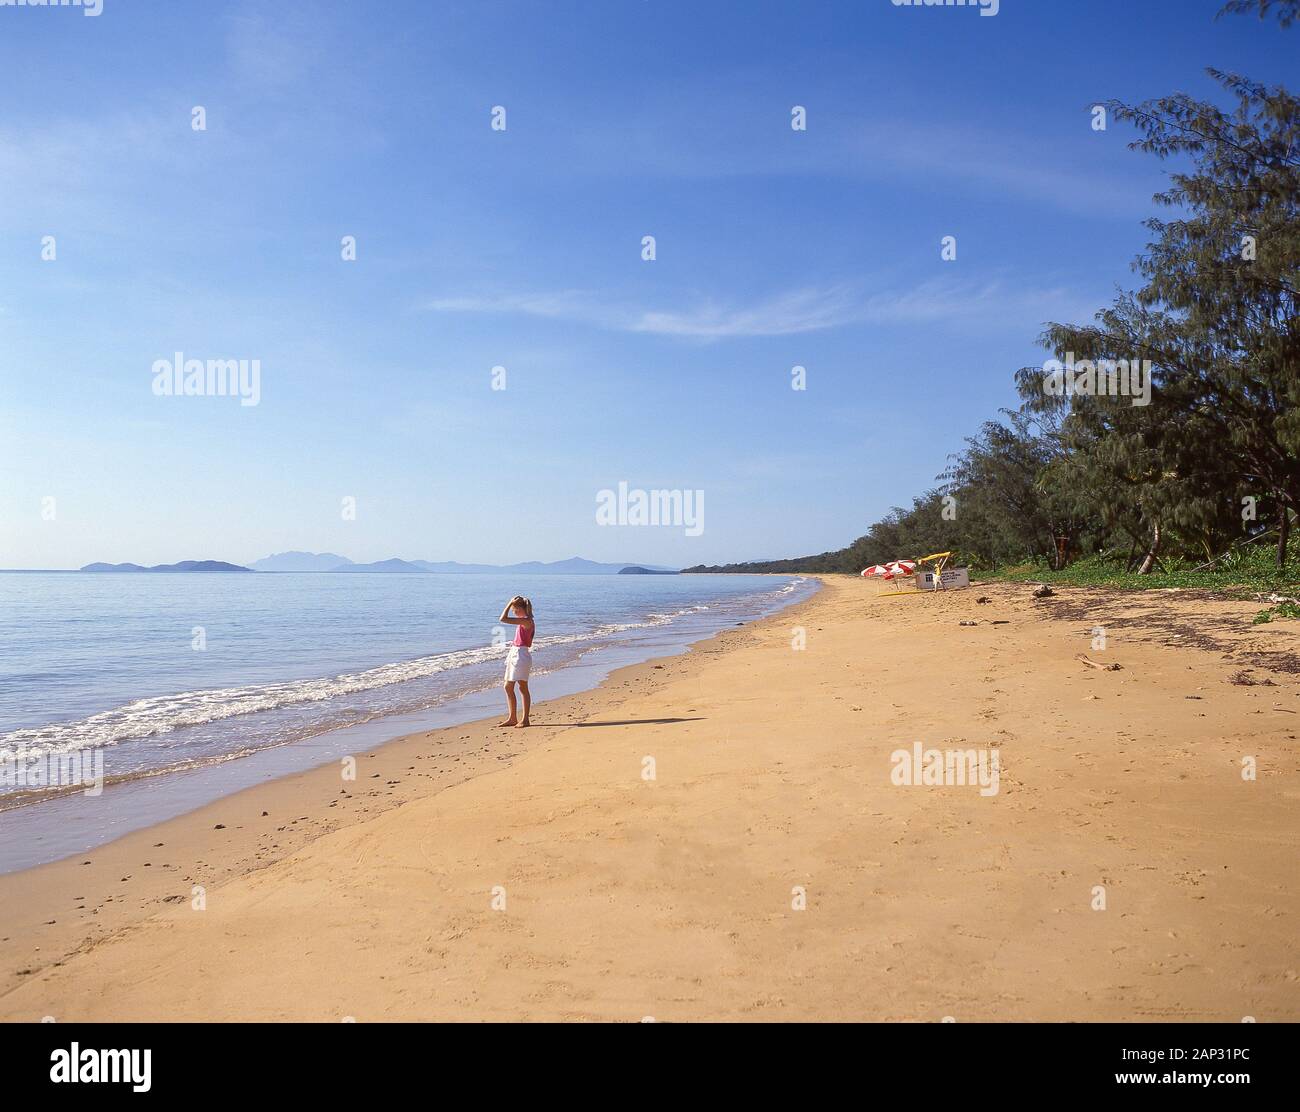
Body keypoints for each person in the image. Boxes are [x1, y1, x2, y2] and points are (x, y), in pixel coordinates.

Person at [497, 595, 535, 728]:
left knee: (523, 687)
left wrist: (508, 603)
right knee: (508, 686)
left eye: (514, 609)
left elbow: (502, 618)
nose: (513, 611)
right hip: (515, 653)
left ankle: (525, 720)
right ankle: (512, 718)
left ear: (519, 608)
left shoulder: (526, 621)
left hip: (521, 655)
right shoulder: (524, 620)